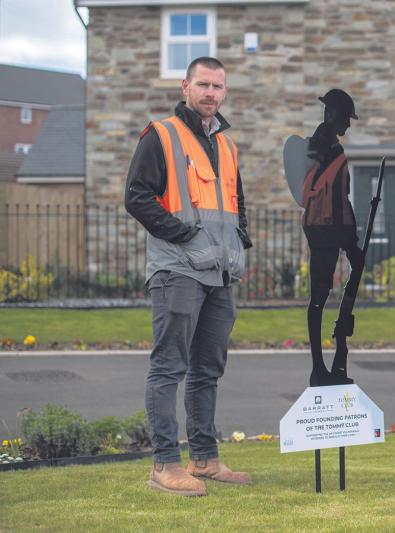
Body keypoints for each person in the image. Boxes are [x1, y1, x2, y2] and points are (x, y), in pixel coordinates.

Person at [125, 56, 252, 497]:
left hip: (219, 274)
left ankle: (204, 459)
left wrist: (240, 240)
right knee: (169, 367)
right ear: (185, 87)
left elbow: (236, 202)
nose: (211, 93)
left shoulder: (227, 145)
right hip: (176, 270)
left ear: (225, 91)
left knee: (207, 370)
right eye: (203, 85)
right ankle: (164, 464)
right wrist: (184, 234)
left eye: (218, 86)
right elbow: (137, 196)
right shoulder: (161, 135)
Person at [301, 89, 364, 386]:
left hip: (328, 226)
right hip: (326, 228)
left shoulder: (324, 146)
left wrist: (351, 240)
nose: (348, 124)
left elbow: (340, 199)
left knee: (322, 295)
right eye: (346, 118)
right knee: (319, 297)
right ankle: (320, 367)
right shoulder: (325, 148)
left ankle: (336, 349)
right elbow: (334, 201)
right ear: (333, 114)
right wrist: (350, 240)